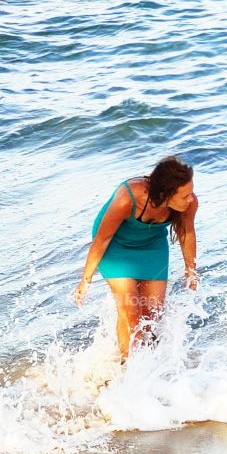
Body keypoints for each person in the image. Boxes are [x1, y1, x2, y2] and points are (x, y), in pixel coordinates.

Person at [72, 155, 198, 362]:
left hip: (152, 245)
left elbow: (187, 234)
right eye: (185, 195)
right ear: (165, 194)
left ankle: (149, 364)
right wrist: (86, 279)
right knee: (130, 310)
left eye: (191, 192)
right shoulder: (128, 198)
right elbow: (103, 239)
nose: (191, 199)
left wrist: (191, 270)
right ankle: (126, 365)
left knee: (152, 314)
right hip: (115, 245)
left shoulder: (189, 204)